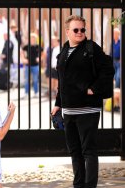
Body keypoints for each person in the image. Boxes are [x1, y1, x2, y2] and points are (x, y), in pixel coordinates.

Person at [51, 15, 115, 188]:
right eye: (76, 30)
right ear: (67, 32)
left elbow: (108, 70)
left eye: (83, 30)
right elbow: (62, 80)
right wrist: (58, 103)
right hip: (69, 111)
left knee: (89, 151)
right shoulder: (63, 51)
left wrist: (93, 88)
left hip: (88, 110)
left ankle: (90, 185)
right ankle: (78, 185)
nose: (80, 33)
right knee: (75, 151)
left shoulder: (91, 48)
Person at [21, 33, 43, 98]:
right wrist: (23, 59)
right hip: (27, 65)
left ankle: (36, 93)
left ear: (35, 39)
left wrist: (40, 58)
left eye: (33, 38)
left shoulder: (38, 46)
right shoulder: (26, 46)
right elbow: (21, 52)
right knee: (27, 79)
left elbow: (43, 53)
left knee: (35, 79)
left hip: (35, 66)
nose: (32, 39)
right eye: (31, 38)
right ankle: (26, 93)